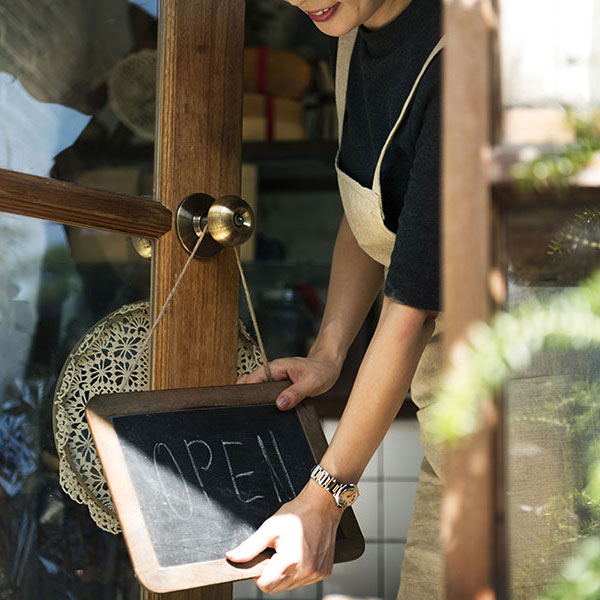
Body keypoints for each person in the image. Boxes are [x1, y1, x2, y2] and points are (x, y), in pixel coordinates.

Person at [228, 0, 444, 597]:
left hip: (537, 411)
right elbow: (368, 211)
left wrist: (325, 497)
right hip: (458, 418)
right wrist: (329, 353)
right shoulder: (352, 29)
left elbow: (410, 315)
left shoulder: (461, 64)